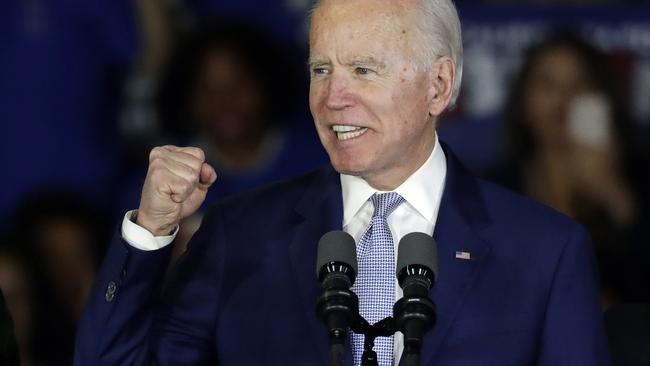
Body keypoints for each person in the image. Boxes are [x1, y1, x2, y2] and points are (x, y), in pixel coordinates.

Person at [74, 0, 610, 365]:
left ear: (439, 86)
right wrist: (150, 232)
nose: (333, 99)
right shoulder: (239, 235)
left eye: (364, 70)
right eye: (322, 70)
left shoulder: (547, 253)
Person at [486, 31, 650, 308]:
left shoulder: (640, 178)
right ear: (523, 103)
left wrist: (612, 191)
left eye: (580, 83)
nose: (564, 98)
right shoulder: (495, 188)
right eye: (548, 84)